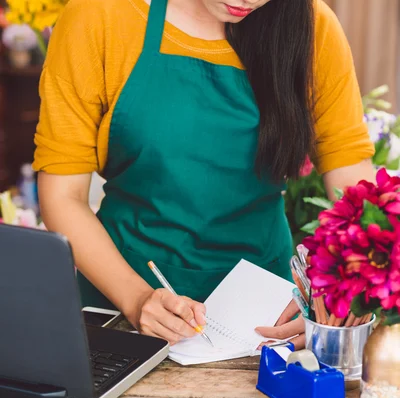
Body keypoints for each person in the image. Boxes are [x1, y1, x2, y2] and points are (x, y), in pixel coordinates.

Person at [33, 0, 375, 348]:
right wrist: (137, 299)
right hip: (118, 304)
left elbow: (351, 179)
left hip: (269, 318)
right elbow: (63, 196)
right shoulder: (101, 16)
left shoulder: (311, 25)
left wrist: (339, 295)